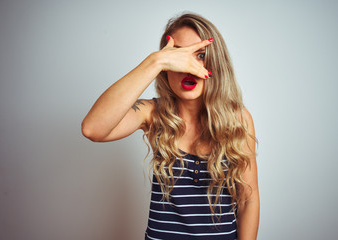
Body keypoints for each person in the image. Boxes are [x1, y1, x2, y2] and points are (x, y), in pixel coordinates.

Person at [82, 13, 259, 240]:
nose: (189, 67)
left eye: (200, 55)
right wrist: (155, 61)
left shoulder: (239, 119)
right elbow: (92, 128)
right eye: (178, 57)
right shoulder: (154, 114)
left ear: (216, 61)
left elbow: (248, 200)